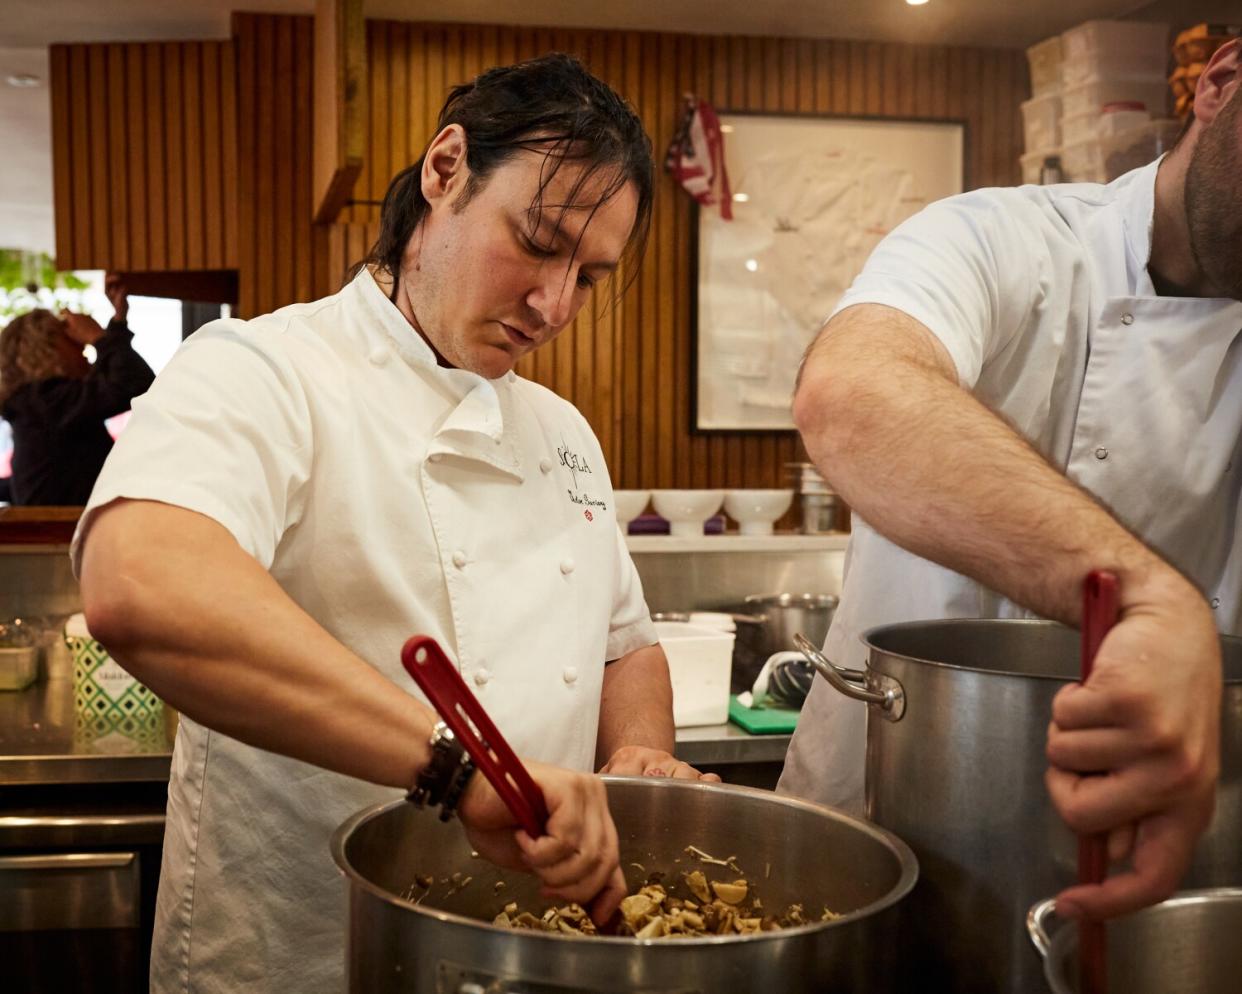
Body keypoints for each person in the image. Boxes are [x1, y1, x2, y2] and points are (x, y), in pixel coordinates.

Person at [74, 55, 711, 994]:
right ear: (445, 169)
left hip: (526, 950)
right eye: (539, 242)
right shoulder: (265, 367)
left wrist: (638, 753)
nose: (554, 305)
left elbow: (624, 644)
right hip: (304, 952)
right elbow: (140, 584)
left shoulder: (562, 430)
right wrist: (461, 774)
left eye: (589, 276)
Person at [783, 37, 1241, 923]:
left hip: (1154, 865)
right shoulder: (1006, 239)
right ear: (1220, 85)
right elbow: (850, 397)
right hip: (882, 830)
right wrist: (1150, 600)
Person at [0, 276, 154, 504]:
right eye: (69, 338)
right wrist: (98, 337)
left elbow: (112, 383)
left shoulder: (38, 404)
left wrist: (117, 325)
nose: (81, 346)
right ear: (49, 348)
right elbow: (132, 383)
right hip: (63, 533)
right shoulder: (48, 402)